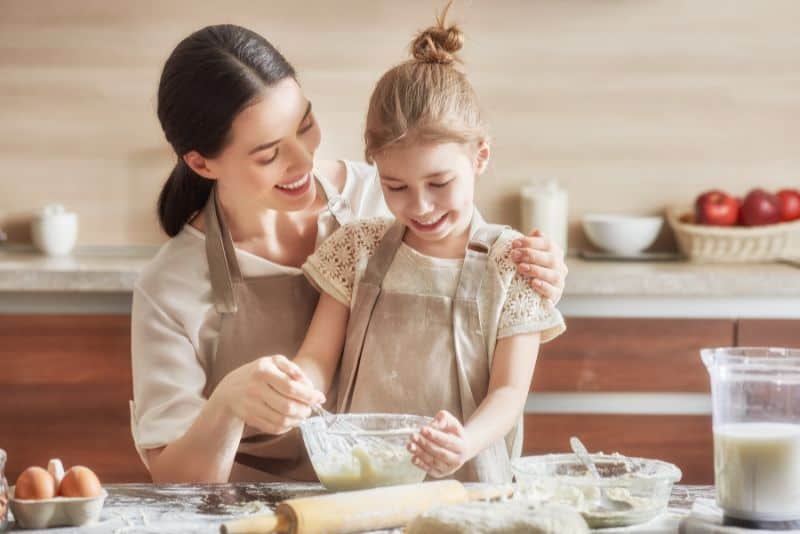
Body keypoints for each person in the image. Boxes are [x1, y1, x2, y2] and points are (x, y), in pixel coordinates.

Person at [131, 23, 568, 483]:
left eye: (304, 125)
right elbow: (174, 481)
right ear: (201, 163)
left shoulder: (385, 192)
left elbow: (462, 234)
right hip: (256, 508)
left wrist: (539, 268)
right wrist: (228, 403)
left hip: (406, 487)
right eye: (268, 154)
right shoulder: (171, 286)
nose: (303, 162)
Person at [287, 5, 565, 482]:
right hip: (361, 481)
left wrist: (464, 443)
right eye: (395, 187)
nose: (420, 206)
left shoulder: (513, 263)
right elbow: (317, 357)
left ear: (480, 156)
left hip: (472, 484)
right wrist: (295, 388)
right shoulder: (357, 247)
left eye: (439, 184)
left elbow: (508, 393)